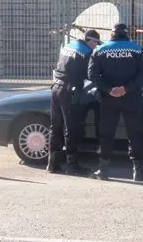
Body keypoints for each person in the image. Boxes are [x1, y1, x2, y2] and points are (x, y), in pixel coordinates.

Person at [87, 23, 143, 181]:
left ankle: (103, 169)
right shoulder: (137, 49)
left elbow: (92, 75)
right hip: (131, 97)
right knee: (134, 132)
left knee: (106, 133)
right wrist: (126, 89)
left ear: (112, 34)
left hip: (109, 99)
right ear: (127, 34)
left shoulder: (99, 50)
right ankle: (137, 171)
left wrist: (108, 89)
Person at [48, 30, 102, 176]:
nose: (96, 47)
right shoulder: (86, 53)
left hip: (55, 88)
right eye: (96, 44)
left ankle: (52, 163)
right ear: (91, 41)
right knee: (70, 128)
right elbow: (91, 75)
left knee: (55, 126)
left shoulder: (69, 45)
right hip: (68, 91)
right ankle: (72, 165)